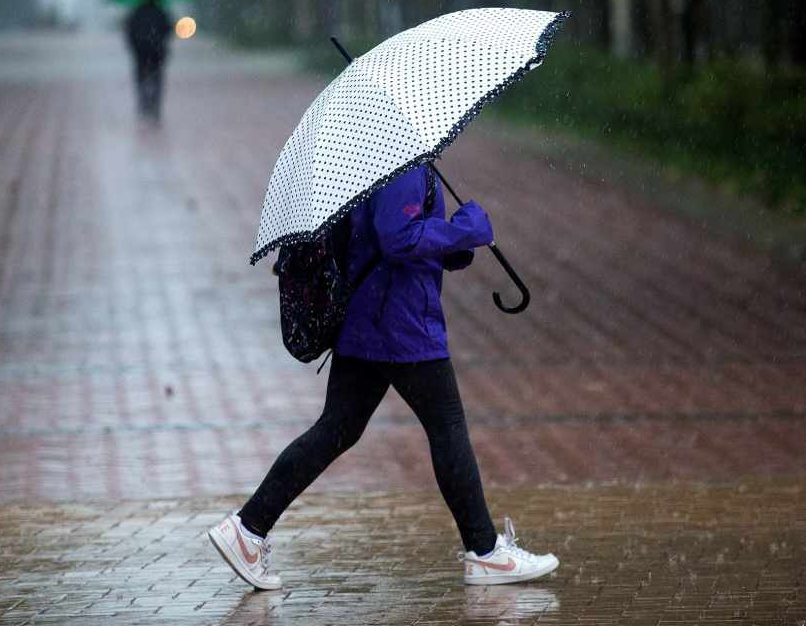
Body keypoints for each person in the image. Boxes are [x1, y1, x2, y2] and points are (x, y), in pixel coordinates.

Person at [208, 164, 559, 590]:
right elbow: (398, 238)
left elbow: (398, 233)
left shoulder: (390, 161)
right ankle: (485, 552)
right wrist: (463, 232)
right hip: (399, 322)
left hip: (369, 318)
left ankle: (248, 529)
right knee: (446, 424)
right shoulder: (402, 167)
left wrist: (459, 241)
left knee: (337, 428)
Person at [122, 0, 172, 119]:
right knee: (157, 77)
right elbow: (168, 30)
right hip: (157, 51)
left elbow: (129, 31)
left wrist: (134, 45)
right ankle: (155, 105)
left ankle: (143, 103)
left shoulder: (136, 13)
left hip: (141, 52)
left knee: (140, 76)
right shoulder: (161, 12)